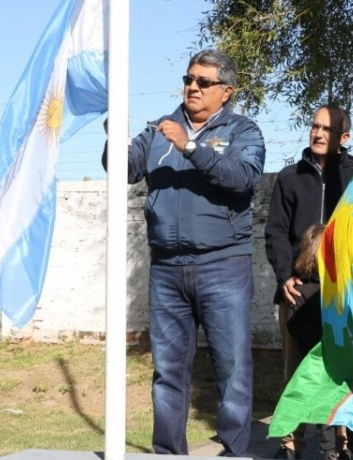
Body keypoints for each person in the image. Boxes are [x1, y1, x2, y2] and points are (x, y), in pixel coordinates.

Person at [102, 49, 266, 457]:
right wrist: (112, 139)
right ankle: (168, 453)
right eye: (189, 79)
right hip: (167, 270)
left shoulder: (243, 131)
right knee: (169, 373)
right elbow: (123, 169)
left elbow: (242, 178)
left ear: (226, 91)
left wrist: (192, 147)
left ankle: (233, 451)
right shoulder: (160, 131)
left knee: (233, 370)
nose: (193, 87)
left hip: (223, 265)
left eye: (203, 82)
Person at [264, 103, 353, 460]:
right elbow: (274, 233)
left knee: (343, 370)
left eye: (327, 129)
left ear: (344, 137)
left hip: (343, 293)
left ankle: (346, 444)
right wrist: (284, 278)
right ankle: (290, 443)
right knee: (296, 369)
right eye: (314, 126)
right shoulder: (290, 177)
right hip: (298, 291)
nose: (318, 133)